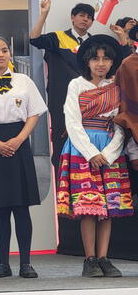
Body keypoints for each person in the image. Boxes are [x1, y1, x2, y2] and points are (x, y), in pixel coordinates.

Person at [56, 34, 133, 277]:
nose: (101, 63)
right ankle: (89, 259)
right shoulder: (76, 85)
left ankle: (104, 258)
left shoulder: (117, 88)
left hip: (110, 148)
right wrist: (91, 153)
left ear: (112, 63)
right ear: (87, 62)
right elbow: (72, 121)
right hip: (82, 149)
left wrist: (108, 154)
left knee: (108, 207)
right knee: (88, 207)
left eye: (106, 59)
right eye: (96, 59)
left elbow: (122, 123)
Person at [0, 37, 47, 279]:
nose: (1, 54)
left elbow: (34, 113)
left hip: (20, 143)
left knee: (21, 206)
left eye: (5, 50)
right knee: (1, 208)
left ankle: (26, 262)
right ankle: (3, 264)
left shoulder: (23, 81)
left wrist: (19, 139)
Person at [29, 0, 95, 178]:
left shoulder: (95, 43)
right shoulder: (58, 38)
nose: (85, 19)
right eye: (81, 15)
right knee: (61, 141)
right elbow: (34, 39)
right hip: (61, 101)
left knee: (87, 142)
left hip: (88, 102)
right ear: (73, 17)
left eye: (89, 17)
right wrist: (44, 14)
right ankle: (62, 181)